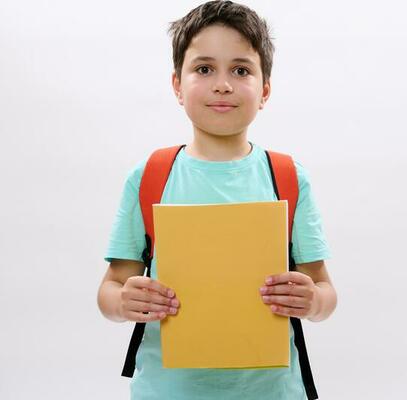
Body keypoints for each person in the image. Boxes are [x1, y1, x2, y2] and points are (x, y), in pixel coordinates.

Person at [96, 1, 337, 399]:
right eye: (204, 69)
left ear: (265, 90)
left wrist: (311, 301)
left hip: (272, 391)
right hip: (167, 389)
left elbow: (325, 291)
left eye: (240, 70)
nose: (222, 84)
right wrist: (124, 301)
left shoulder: (288, 176)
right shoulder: (151, 175)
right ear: (177, 84)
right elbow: (110, 290)